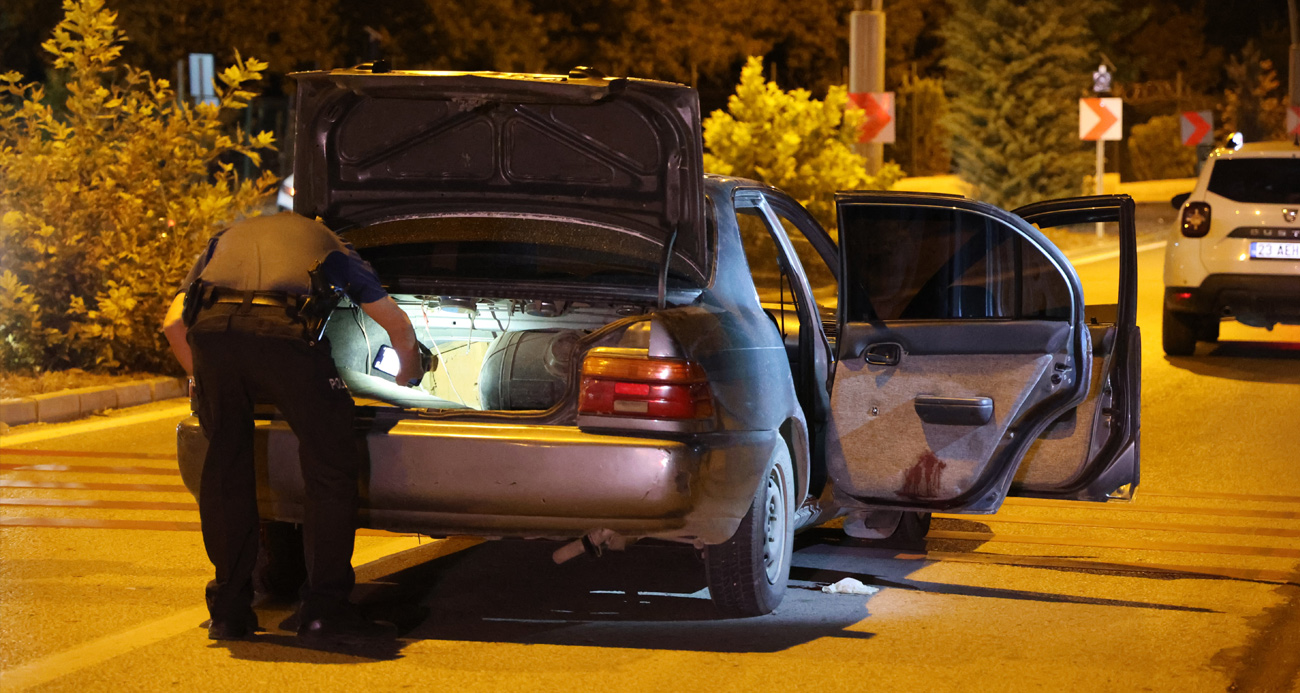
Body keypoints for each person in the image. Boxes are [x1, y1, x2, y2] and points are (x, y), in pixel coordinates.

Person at [161, 211, 423, 642]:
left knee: (225, 470)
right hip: (283, 336)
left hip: (211, 337)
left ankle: (229, 612)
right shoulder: (329, 244)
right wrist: (407, 378)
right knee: (330, 464)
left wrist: (206, 383)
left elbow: (173, 324)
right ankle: (324, 611)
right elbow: (396, 324)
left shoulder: (225, 239)